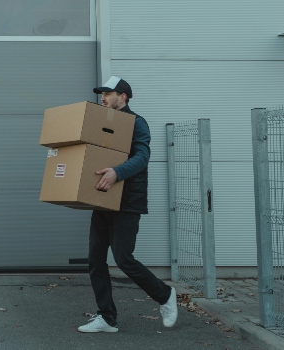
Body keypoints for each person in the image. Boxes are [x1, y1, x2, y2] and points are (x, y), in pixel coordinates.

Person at [77, 76, 178, 333]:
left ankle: (165, 295)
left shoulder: (137, 123)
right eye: (102, 93)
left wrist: (116, 173)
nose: (103, 97)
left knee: (123, 258)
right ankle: (107, 318)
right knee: (96, 259)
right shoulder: (102, 123)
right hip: (103, 199)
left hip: (127, 201)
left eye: (108, 93)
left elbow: (143, 156)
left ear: (123, 97)